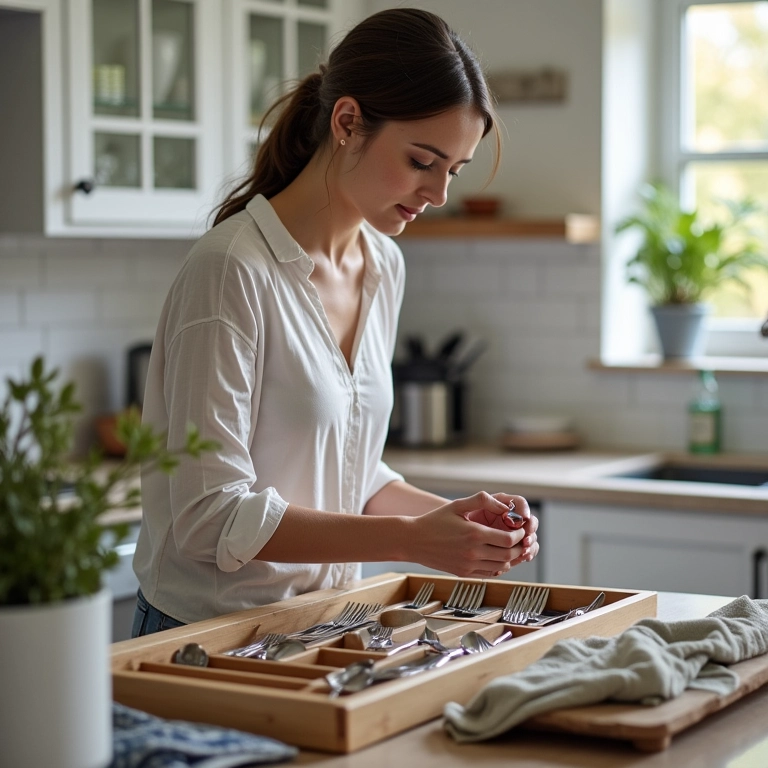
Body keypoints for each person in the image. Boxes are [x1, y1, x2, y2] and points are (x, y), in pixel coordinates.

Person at [131, 7, 539, 637]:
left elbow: (346, 470)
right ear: (348, 122)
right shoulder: (232, 269)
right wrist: (411, 541)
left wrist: (456, 524)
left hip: (324, 627)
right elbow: (209, 516)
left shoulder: (383, 265)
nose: (438, 195)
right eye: (421, 161)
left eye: (452, 172)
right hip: (205, 638)